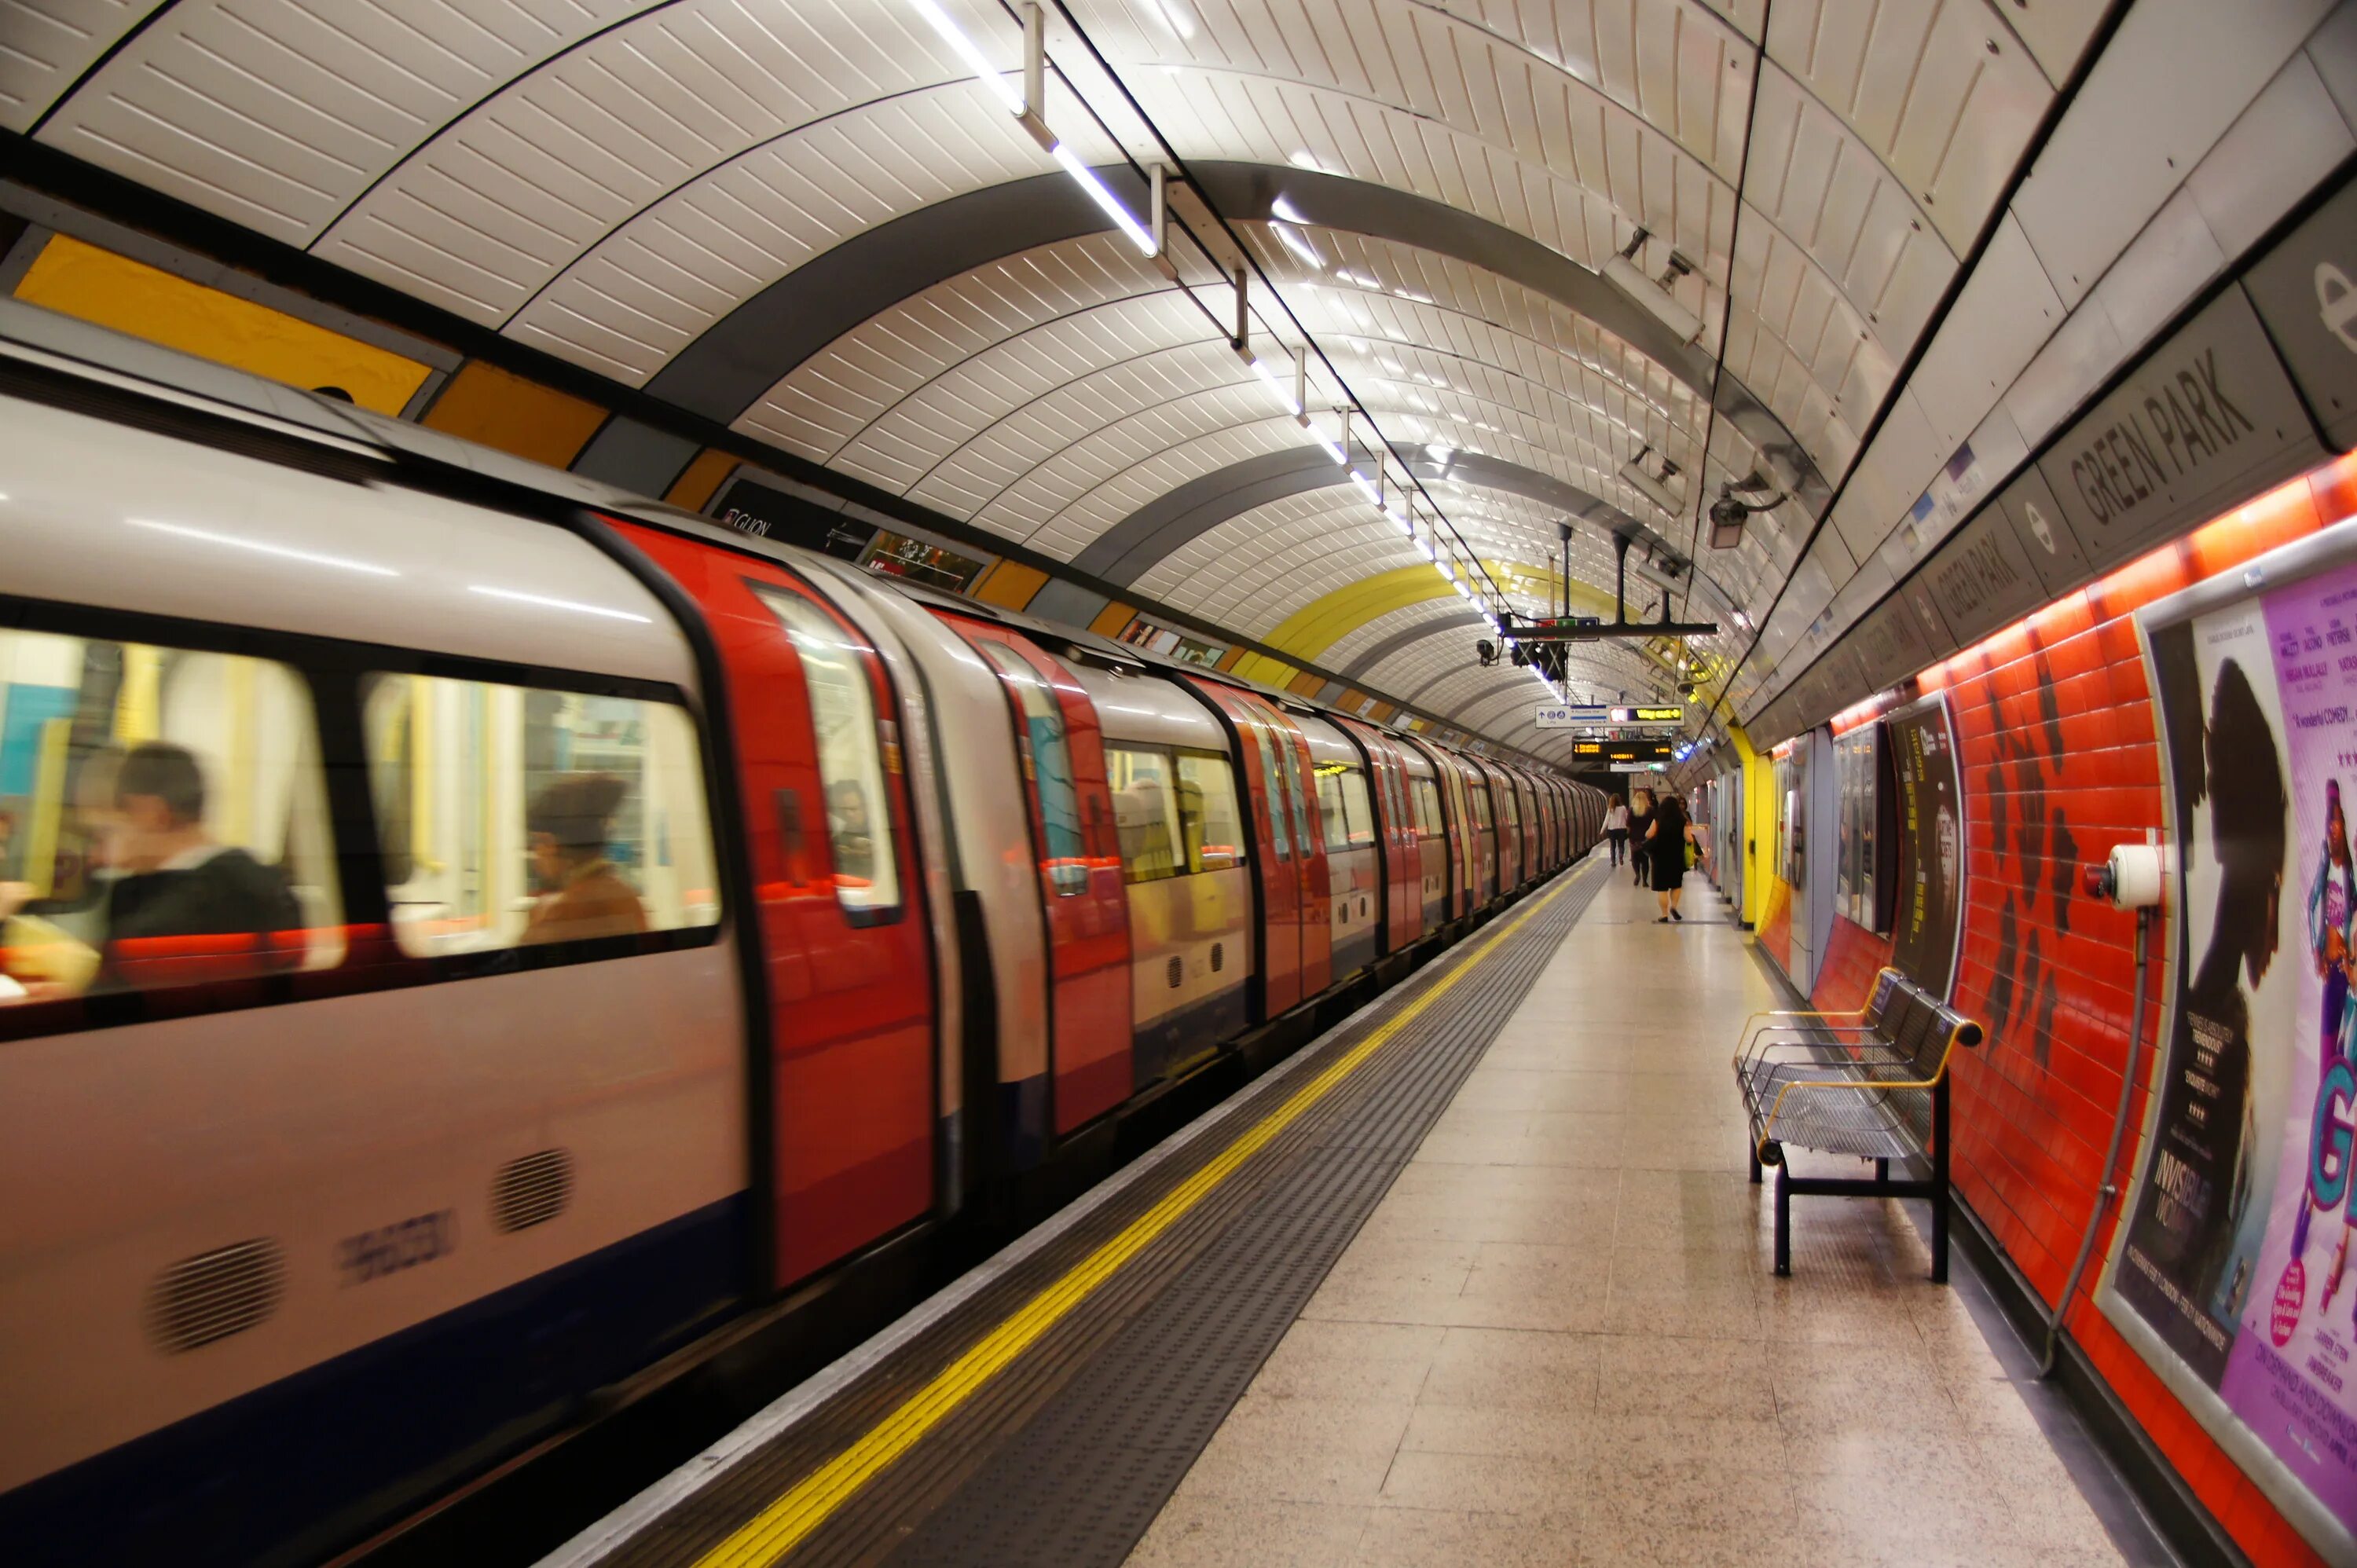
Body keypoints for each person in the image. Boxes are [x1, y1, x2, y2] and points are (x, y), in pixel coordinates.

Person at [97, 741, 303, 987]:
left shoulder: (159, 920)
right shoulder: (265, 880)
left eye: (106, 831)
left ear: (151, 814)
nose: (96, 854)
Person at [522, 773, 648, 944]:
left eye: (536, 841)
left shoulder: (566, 913)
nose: (536, 854)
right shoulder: (625, 895)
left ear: (549, 843)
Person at [1647, 789, 1701, 921]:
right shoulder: (1682, 821)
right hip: (1676, 857)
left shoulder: (1658, 819)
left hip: (1659, 857)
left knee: (1662, 888)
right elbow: (1689, 839)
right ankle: (1674, 907)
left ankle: (1664, 914)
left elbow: (1648, 834)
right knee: (1676, 885)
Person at [827, 779, 878, 883]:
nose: (849, 814)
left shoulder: (881, 833)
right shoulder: (837, 842)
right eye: (844, 809)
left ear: (865, 806)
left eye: (854, 809)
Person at [1628, 788, 1655, 888]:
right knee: (1645, 860)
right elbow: (1654, 824)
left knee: (1635, 859)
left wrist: (1628, 835)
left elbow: (1628, 824)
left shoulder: (1631, 810)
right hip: (1646, 839)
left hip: (1634, 839)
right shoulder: (1650, 810)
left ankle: (1637, 875)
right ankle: (1644, 880)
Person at [1602, 794, 1629, 867]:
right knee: (1621, 845)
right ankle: (1620, 857)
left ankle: (1613, 862)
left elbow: (1606, 820)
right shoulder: (1623, 808)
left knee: (1612, 847)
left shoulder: (1610, 809)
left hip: (1612, 830)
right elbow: (1627, 818)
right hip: (1621, 830)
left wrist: (1602, 831)